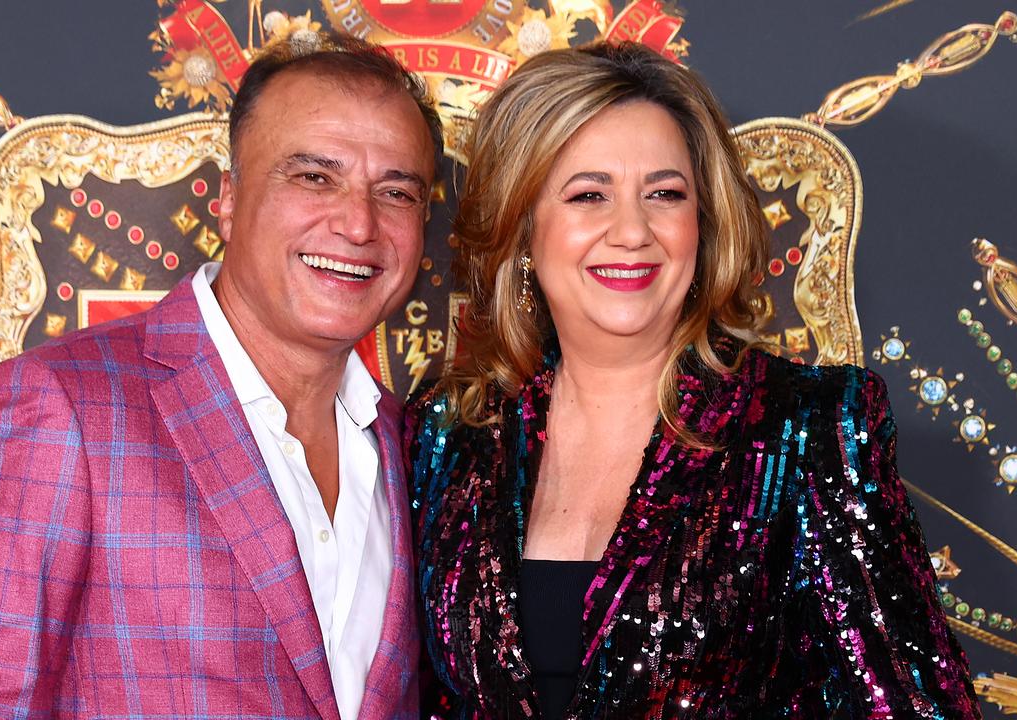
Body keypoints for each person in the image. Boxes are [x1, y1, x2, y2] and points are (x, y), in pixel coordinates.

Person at [406, 42, 980, 719]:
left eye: (665, 195)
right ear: (524, 227)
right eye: (589, 195)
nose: (632, 231)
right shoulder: (447, 436)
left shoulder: (806, 427)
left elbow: (916, 707)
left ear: (703, 225)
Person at [0, 34, 440, 720]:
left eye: (395, 191)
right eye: (314, 177)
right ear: (228, 199)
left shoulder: (410, 444)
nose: (359, 223)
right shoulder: (56, 407)